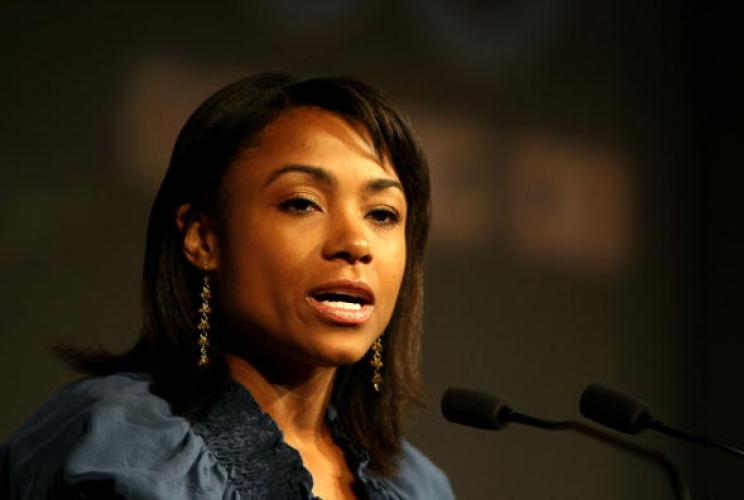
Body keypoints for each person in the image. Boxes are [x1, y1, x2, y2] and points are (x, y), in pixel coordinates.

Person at [0, 73, 454, 499]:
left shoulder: (418, 486)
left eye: (383, 214)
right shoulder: (118, 443)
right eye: (302, 203)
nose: (356, 243)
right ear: (203, 236)